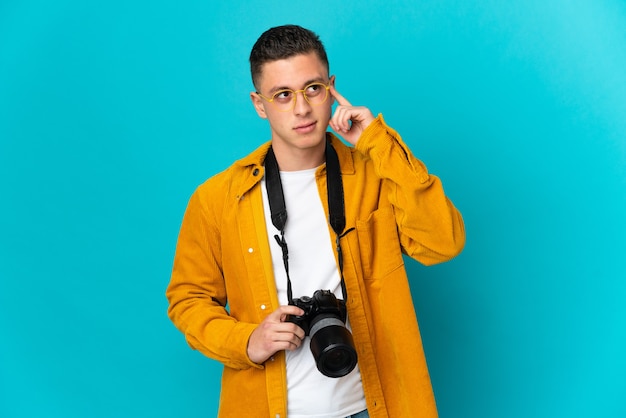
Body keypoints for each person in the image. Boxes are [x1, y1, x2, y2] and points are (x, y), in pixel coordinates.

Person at [166, 24, 465, 418]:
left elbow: (444, 242)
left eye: (313, 89)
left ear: (331, 87)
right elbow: (187, 299)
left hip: (373, 406)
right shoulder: (218, 199)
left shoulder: (375, 174)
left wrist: (377, 141)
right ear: (260, 104)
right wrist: (246, 340)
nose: (302, 109)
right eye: (283, 95)